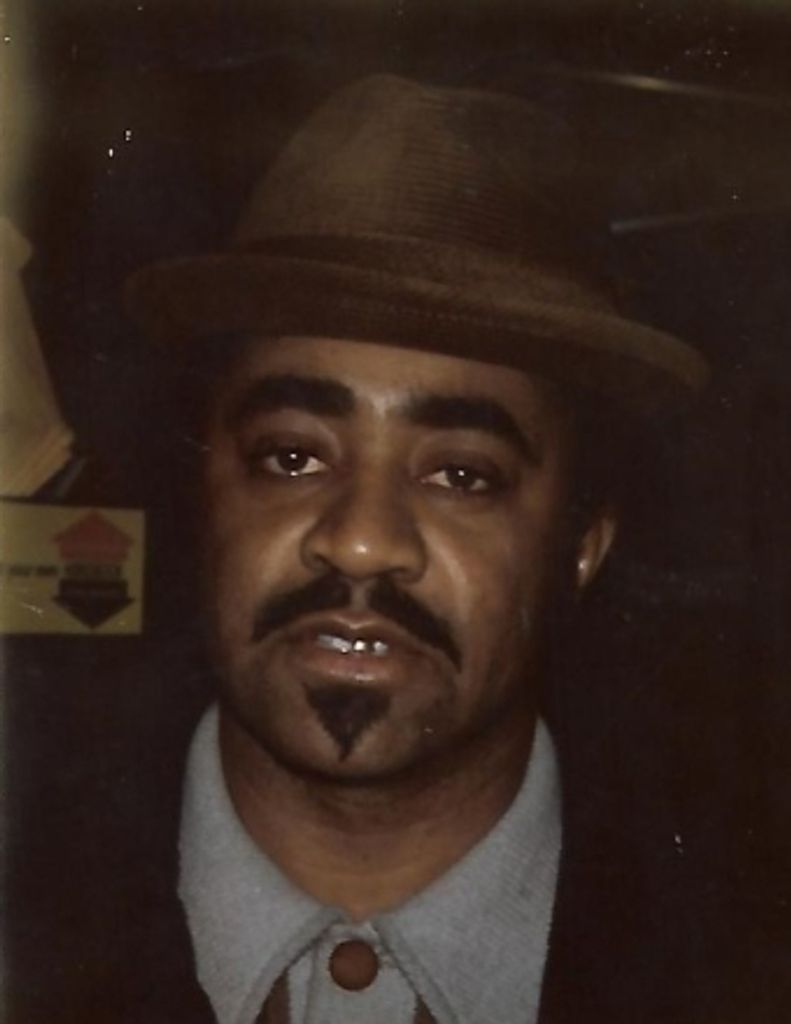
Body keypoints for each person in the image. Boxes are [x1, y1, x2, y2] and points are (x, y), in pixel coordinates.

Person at [10, 74, 748, 1024]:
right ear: (204, 501)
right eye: (291, 456)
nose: (360, 541)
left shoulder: (737, 953)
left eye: (462, 474)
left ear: (582, 548)